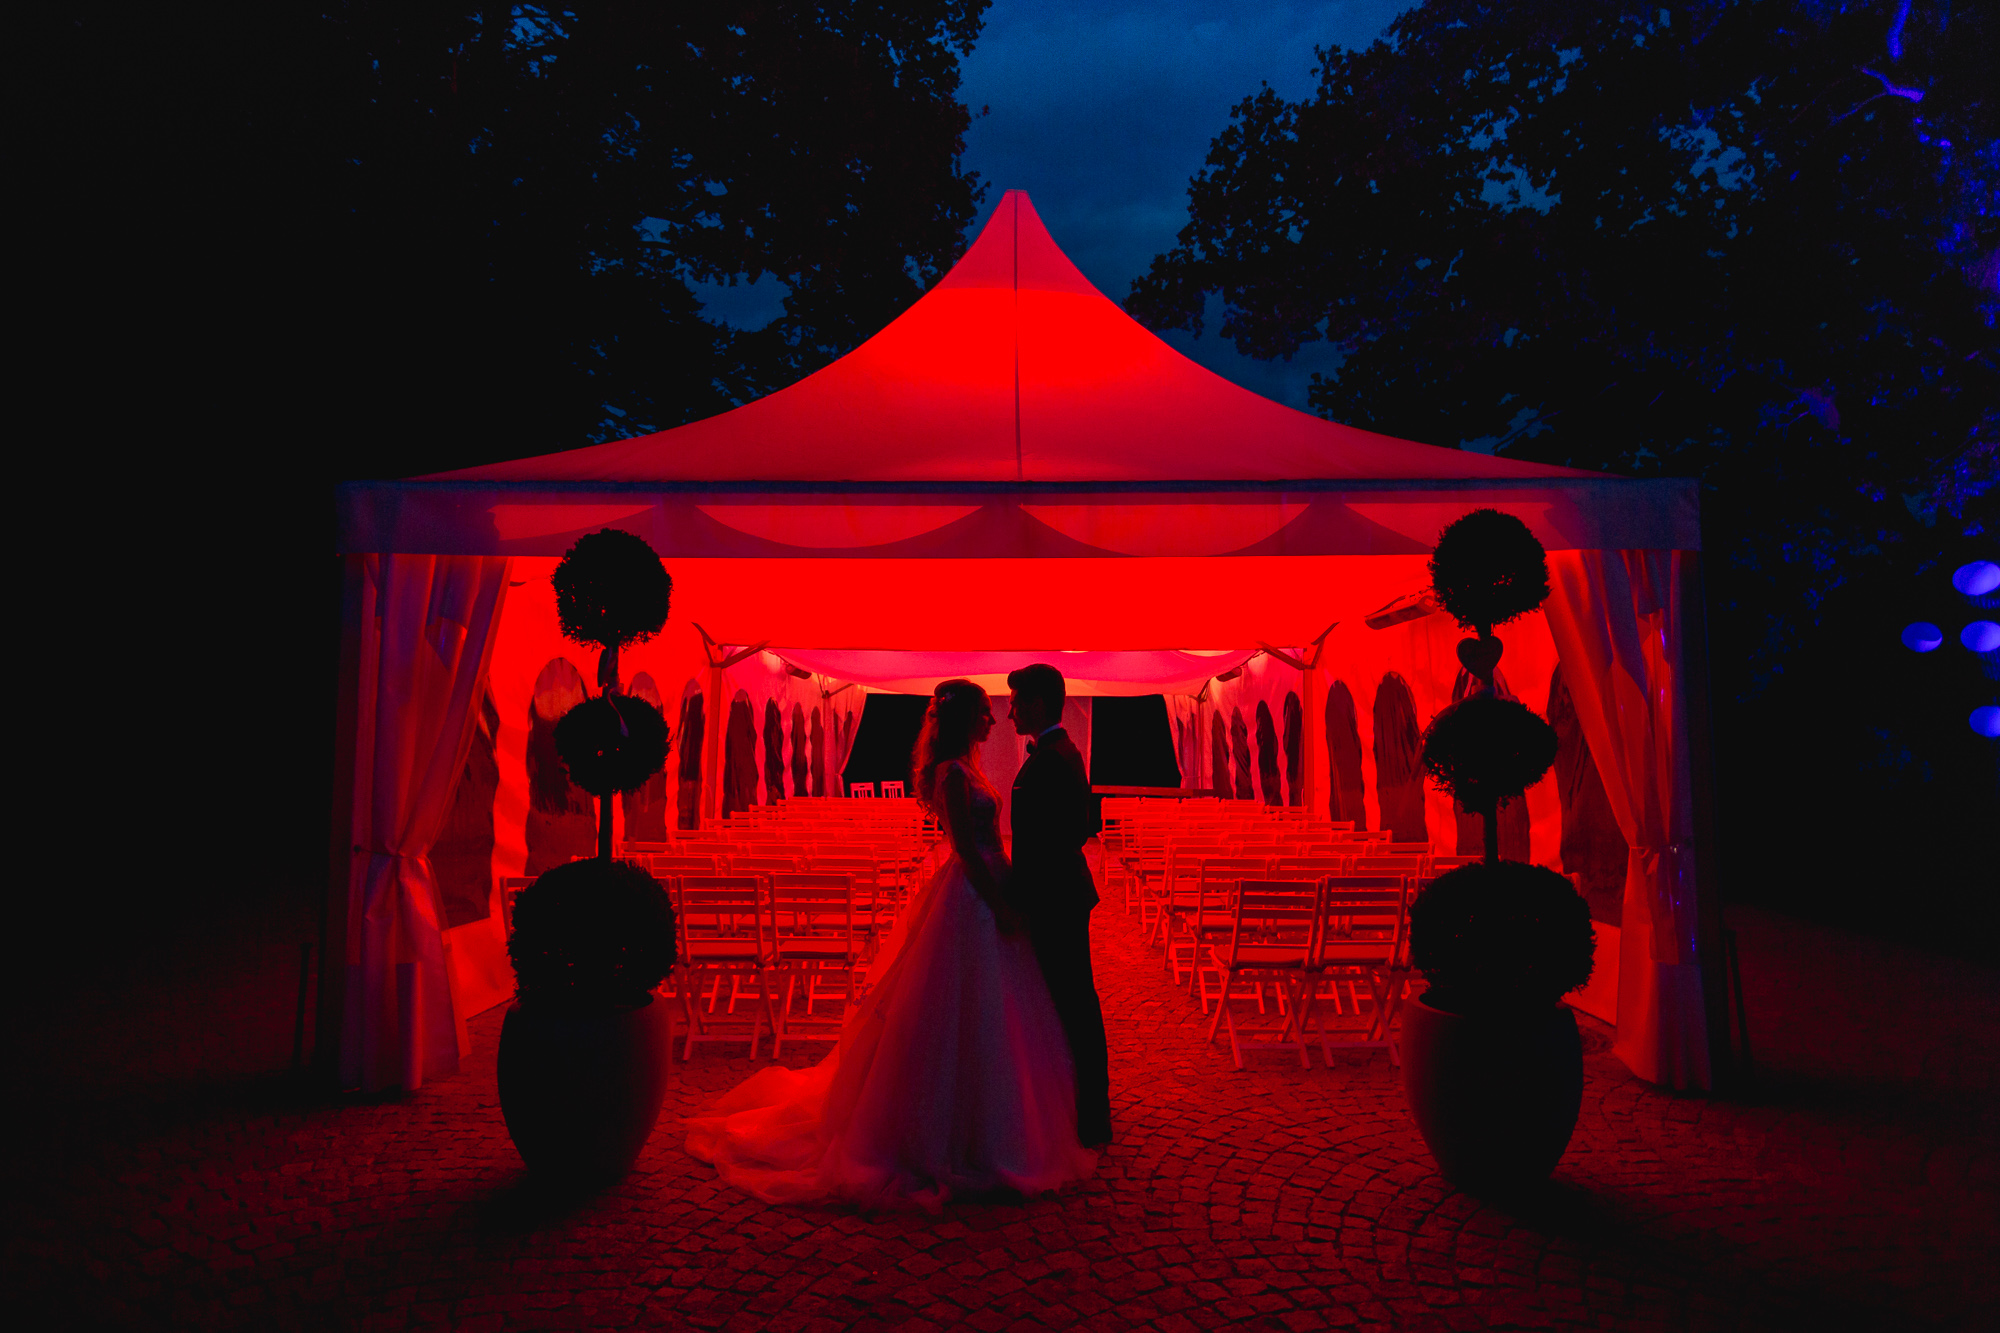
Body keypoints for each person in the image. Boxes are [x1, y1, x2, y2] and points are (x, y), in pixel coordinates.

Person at [684, 679, 1095, 1210]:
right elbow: (969, 850)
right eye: (984, 713)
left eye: (1000, 711)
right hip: (975, 897)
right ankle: (950, 1131)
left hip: (990, 890)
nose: (995, 719)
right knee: (953, 1013)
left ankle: (995, 1118)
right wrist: (1002, 902)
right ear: (964, 718)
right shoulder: (952, 774)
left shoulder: (965, 767)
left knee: (995, 1015)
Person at [1005, 663, 1114, 1147]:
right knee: (1073, 1003)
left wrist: (1021, 897)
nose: (1009, 711)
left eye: (1015, 701)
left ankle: (1091, 1116)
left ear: (1037, 703)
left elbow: (1052, 839)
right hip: (1061, 892)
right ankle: (1084, 1108)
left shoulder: (1052, 758)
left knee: (1074, 1004)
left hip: (1055, 897)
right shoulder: (1057, 752)